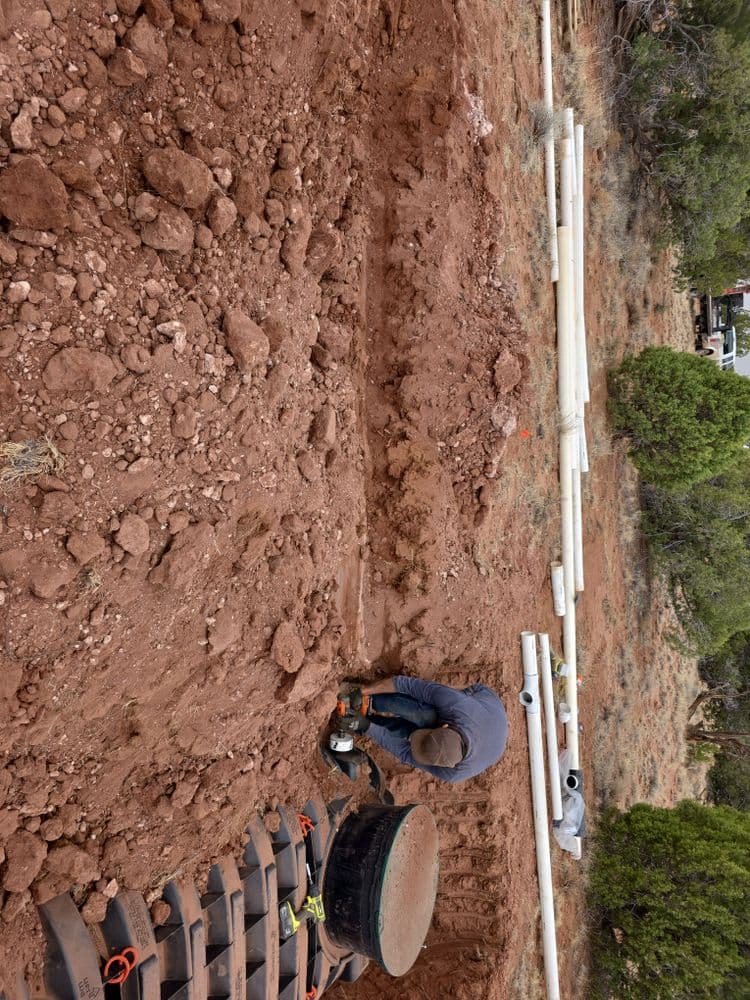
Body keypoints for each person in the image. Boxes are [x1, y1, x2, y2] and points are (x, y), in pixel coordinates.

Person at [354, 675, 508, 784]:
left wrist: (367, 727)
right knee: (426, 715)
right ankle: (373, 701)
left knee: (410, 734)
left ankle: (368, 720)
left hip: (490, 743)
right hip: (482, 697)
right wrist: (362, 692)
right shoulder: (456, 705)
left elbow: (404, 752)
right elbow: (404, 684)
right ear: (444, 726)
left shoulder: (453, 773)